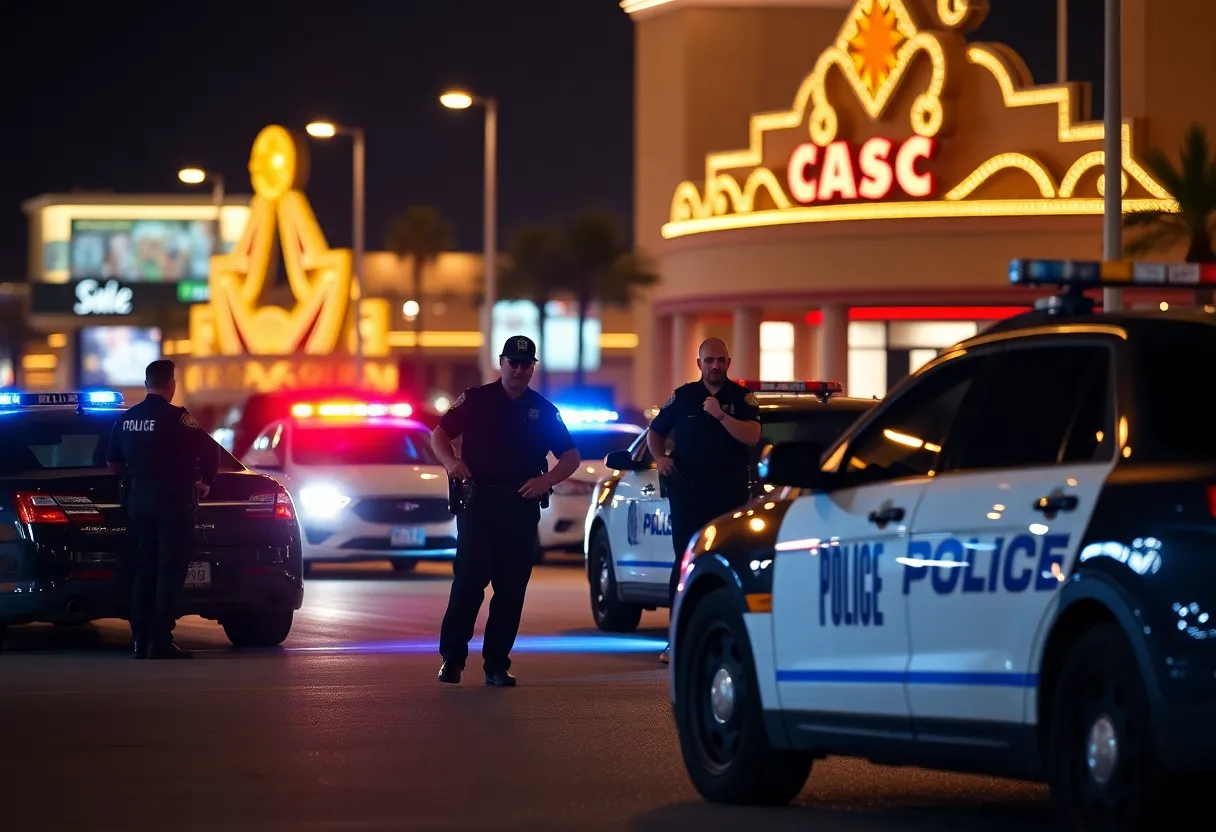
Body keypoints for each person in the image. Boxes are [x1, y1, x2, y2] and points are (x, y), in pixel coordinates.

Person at [432, 335, 581, 686]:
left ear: (533, 369)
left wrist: (547, 481)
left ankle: (496, 664)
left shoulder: (543, 410)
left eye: (526, 364)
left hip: (520, 506)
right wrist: (452, 463)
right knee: (468, 583)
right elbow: (439, 433)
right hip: (479, 504)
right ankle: (451, 659)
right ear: (501, 363)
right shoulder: (477, 399)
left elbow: (570, 456)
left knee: (511, 590)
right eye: (513, 362)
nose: (519, 369)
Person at [647, 337, 762, 662]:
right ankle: (677, 639)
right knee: (685, 562)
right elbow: (655, 430)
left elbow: (753, 436)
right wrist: (660, 457)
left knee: (730, 563)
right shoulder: (683, 397)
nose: (715, 365)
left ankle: (730, 638)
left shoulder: (741, 398)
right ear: (699, 364)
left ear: (729, 361)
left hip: (730, 494)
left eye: (720, 360)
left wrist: (722, 417)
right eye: (709, 360)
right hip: (689, 494)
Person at [107, 359, 219, 659]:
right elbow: (211, 450)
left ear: (146, 384)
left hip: (139, 502)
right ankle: (160, 639)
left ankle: (139, 640)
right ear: (171, 385)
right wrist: (205, 482)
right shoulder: (179, 418)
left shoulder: (127, 419)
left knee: (145, 567)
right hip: (172, 502)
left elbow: (113, 462)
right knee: (170, 569)